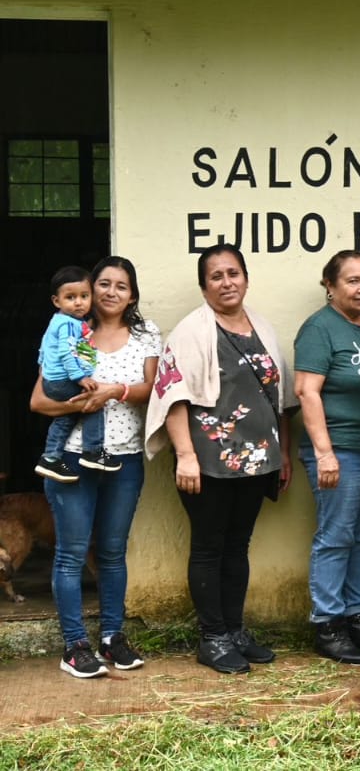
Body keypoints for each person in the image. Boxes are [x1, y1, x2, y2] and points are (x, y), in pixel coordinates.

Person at [144, 243, 294, 675]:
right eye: (216, 276)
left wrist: (281, 451)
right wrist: (185, 456)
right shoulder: (191, 331)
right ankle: (212, 637)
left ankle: (234, 630)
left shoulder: (261, 326)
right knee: (209, 547)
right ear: (203, 285)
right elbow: (173, 396)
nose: (227, 282)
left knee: (238, 546)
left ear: (246, 278)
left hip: (257, 459)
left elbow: (279, 398)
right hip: (207, 461)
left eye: (233, 273)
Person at [29, 257, 159, 678]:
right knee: (70, 553)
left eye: (121, 286)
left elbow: (152, 390)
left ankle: (111, 637)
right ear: (89, 288)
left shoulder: (145, 334)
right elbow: (38, 401)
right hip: (72, 459)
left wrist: (114, 392)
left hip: (124, 457)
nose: (110, 292)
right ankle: (75, 646)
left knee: (112, 552)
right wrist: (81, 402)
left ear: (132, 295)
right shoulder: (70, 331)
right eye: (103, 283)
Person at [294, 250, 360, 664]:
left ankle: (357, 617)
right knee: (336, 537)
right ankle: (328, 622)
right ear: (330, 286)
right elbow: (306, 391)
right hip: (340, 450)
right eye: (353, 281)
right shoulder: (319, 329)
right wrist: (325, 453)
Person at [34, 266, 119, 482]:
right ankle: (93, 451)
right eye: (70, 297)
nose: (78, 302)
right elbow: (66, 353)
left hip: (52, 380)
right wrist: (80, 378)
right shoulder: (69, 324)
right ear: (57, 301)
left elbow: (44, 348)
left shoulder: (60, 321)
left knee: (66, 417)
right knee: (94, 400)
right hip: (64, 379)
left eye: (84, 296)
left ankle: (50, 458)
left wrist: (45, 370)